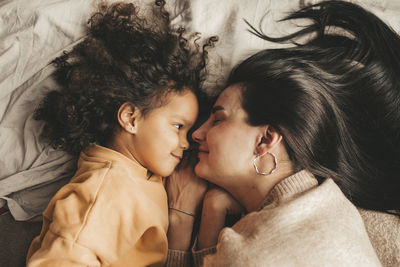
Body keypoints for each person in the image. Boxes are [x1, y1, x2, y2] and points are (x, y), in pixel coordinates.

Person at [164, 1, 400, 266]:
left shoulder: (252, 253)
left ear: (265, 140)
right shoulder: (332, 203)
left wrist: (180, 221)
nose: (197, 134)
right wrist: (212, 211)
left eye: (218, 119)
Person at [26, 1, 216, 266]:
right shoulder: (105, 192)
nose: (186, 143)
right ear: (131, 118)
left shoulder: (138, 171)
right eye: (177, 126)